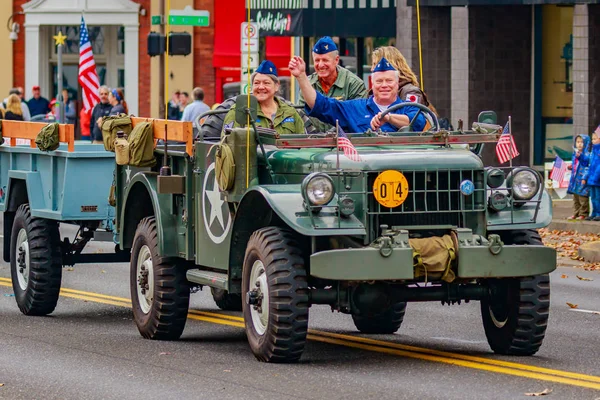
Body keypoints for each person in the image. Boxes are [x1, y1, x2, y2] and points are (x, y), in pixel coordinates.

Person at [289, 56, 426, 133]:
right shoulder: (355, 108)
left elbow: (417, 122)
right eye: (379, 81)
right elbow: (321, 105)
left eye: (389, 81)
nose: (384, 85)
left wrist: (388, 118)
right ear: (371, 84)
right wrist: (301, 77)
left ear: (397, 85)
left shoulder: (409, 108)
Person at [299, 36, 367, 132]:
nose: (321, 65)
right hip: (313, 142)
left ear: (336, 60)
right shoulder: (307, 85)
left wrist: (333, 134)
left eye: (325, 60)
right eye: (317, 60)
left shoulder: (354, 84)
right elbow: (302, 118)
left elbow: (358, 117)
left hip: (346, 142)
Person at [222, 60, 304, 136]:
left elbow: (304, 144)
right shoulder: (240, 111)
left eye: (266, 83)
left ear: (276, 86)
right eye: (256, 83)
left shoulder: (290, 113)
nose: (261, 87)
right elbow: (227, 145)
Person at [567, 134, 591, 220]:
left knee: (583, 197)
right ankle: (576, 213)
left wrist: (584, 177)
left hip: (582, 179)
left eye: (582, 142)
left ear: (586, 143)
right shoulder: (575, 154)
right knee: (575, 198)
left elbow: (586, 164)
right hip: (575, 179)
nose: (579, 144)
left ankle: (583, 213)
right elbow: (576, 165)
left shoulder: (587, 155)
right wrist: (571, 166)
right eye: (578, 142)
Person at [583, 126, 600, 221]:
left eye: (595, 138)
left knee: (598, 197)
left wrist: (596, 176)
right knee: (593, 197)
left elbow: (598, 166)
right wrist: (580, 156)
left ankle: (598, 213)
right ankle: (594, 212)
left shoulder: (598, 151)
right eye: (592, 139)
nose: (593, 141)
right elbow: (587, 162)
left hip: (597, 179)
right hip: (592, 178)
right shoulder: (593, 151)